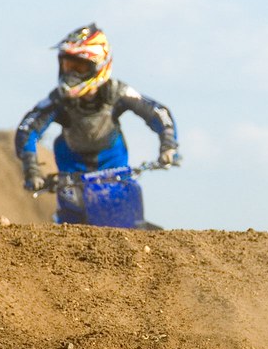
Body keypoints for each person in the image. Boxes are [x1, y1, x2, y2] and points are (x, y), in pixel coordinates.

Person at [15, 23, 179, 212]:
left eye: (79, 67)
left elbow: (158, 112)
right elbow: (27, 129)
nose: (71, 74)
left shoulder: (117, 92)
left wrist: (168, 146)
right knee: (71, 219)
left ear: (99, 66)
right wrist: (32, 169)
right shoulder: (58, 99)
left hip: (114, 171)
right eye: (68, 66)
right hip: (71, 175)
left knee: (125, 217)